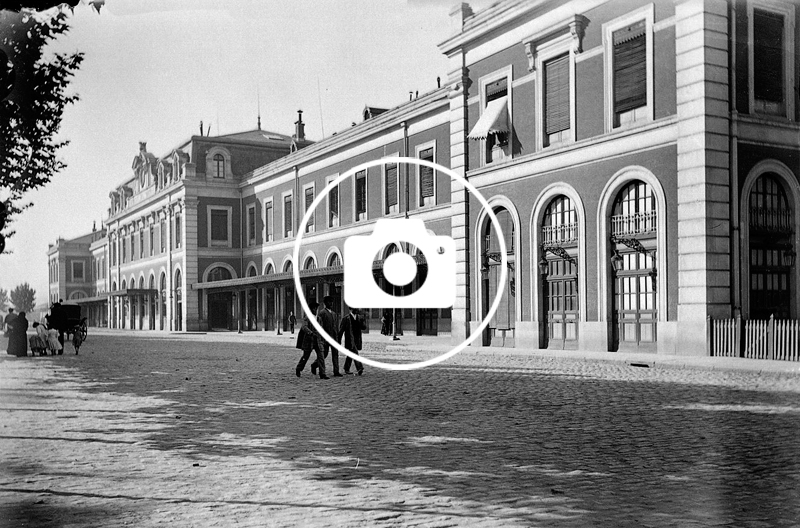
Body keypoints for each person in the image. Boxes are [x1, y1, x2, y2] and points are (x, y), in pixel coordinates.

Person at [295, 301, 328, 379]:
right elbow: (304, 327)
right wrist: (310, 333)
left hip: (318, 341)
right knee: (305, 356)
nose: (315, 309)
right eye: (313, 308)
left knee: (321, 357)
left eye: (316, 308)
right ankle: (299, 368)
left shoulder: (319, 318)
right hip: (309, 341)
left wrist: (323, 340)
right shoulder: (307, 318)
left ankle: (322, 373)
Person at [312, 296, 341, 377]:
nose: (331, 303)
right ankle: (314, 365)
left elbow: (336, 327)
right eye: (329, 302)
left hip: (334, 338)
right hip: (326, 338)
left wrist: (337, 337)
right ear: (325, 303)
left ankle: (336, 371)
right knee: (324, 354)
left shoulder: (334, 314)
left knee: (335, 354)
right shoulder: (322, 313)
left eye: (331, 302)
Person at [338, 306, 366, 376]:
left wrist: (363, 321)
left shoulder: (359, 318)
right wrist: (339, 340)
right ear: (350, 309)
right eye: (354, 308)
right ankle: (360, 368)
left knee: (351, 353)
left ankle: (346, 368)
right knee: (355, 352)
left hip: (357, 339)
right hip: (350, 339)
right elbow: (341, 330)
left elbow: (364, 327)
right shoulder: (346, 319)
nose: (356, 309)